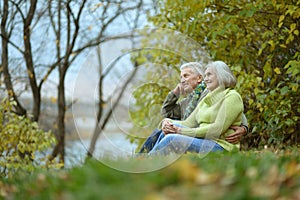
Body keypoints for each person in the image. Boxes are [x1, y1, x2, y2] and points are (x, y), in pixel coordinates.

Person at [138, 62, 248, 153]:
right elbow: (168, 113)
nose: (182, 80)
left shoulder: (213, 93)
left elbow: (235, 113)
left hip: (217, 142)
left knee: (171, 138)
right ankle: (142, 160)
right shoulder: (191, 100)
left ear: (199, 78)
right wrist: (166, 122)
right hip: (199, 136)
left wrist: (244, 127)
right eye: (181, 77)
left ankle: (144, 162)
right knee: (164, 129)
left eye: (186, 76)